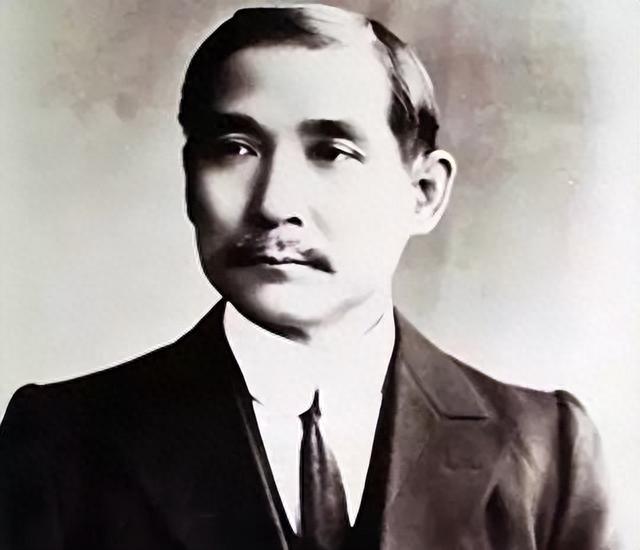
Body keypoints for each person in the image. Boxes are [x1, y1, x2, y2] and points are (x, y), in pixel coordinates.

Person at [0, 4, 613, 549]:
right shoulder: (60, 442)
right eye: (235, 147)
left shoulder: (548, 451)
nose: (274, 203)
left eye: (332, 152)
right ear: (190, 179)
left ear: (424, 193)